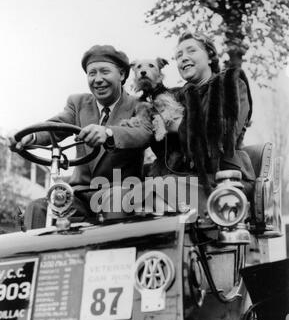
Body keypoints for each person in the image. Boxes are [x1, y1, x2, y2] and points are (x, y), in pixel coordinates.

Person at [9, 44, 153, 228]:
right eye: (92, 73)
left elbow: (143, 133)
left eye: (105, 72)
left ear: (122, 75)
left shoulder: (138, 105)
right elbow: (56, 126)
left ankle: (112, 255)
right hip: (80, 195)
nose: (98, 79)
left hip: (120, 191)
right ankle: (41, 256)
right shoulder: (77, 103)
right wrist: (31, 138)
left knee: (116, 199)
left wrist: (108, 133)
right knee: (38, 208)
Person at [174, 30, 255, 195]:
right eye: (178, 55)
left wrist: (179, 126)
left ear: (210, 56)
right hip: (187, 178)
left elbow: (225, 137)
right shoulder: (176, 98)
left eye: (192, 50)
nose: (183, 57)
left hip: (228, 177)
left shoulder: (231, 85)